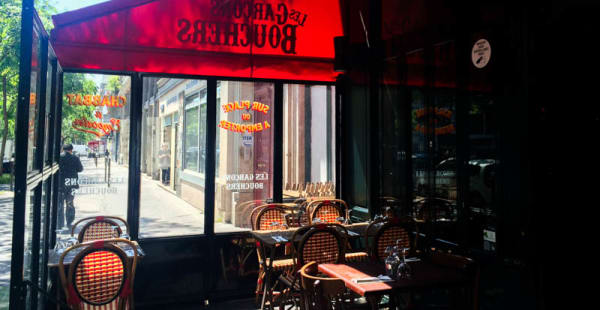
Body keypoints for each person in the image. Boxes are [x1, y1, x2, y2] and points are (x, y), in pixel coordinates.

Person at [59, 144, 83, 229]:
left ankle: (60, 223)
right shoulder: (75, 158)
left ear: (63, 149)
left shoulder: (59, 157)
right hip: (71, 183)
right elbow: (80, 169)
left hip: (60, 184)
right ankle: (69, 222)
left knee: (60, 203)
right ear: (71, 150)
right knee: (70, 203)